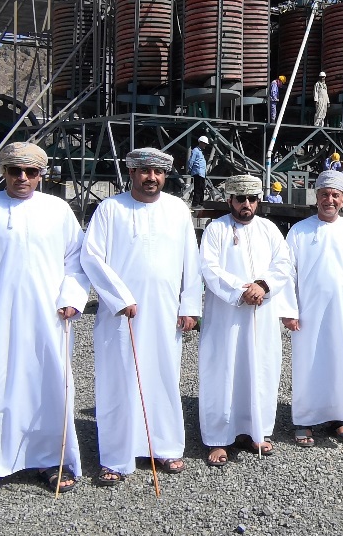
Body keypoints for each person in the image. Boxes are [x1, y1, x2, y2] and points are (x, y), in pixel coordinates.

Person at [0, 141, 90, 511]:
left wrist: (71, 298)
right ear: (4, 172)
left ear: (42, 174)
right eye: (15, 171)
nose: (23, 178)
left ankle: (48, 459)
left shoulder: (57, 210)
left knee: (47, 386)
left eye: (31, 172)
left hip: (48, 319)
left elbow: (76, 260)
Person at [80, 148, 203, 485]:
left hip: (165, 311)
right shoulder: (110, 209)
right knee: (119, 379)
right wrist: (119, 297)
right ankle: (116, 457)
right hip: (121, 315)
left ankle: (164, 447)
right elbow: (92, 257)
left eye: (158, 172)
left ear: (165, 175)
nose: (152, 178)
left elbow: (191, 262)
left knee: (163, 375)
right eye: (145, 171)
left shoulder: (177, 209)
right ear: (131, 173)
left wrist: (190, 306)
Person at [197, 174, 293, 464]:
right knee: (223, 372)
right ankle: (219, 438)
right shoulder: (216, 229)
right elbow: (209, 268)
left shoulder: (269, 229)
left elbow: (283, 264)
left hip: (262, 315)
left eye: (252, 199)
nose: (247, 204)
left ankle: (256, 431)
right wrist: (242, 291)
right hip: (226, 317)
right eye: (241, 199)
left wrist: (263, 286)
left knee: (260, 370)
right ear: (230, 200)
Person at [280, 171, 343, 447]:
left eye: (335, 195)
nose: (329, 200)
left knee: (341, 362)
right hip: (308, 313)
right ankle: (305, 420)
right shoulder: (299, 231)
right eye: (324, 194)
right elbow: (287, 273)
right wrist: (289, 310)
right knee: (308, 363)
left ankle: (339, 418)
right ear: (317, 197)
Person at [189, 135, 209, 208]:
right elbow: (191, 160)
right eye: (204, 143)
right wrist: (190, 169)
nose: (205, 145)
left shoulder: (200, 152)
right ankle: (195, 204)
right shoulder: (195, 151)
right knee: (197, 188)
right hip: (198, 172)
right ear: (200, 143)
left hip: (202, 173)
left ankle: (201, 202)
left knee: (201, 188)